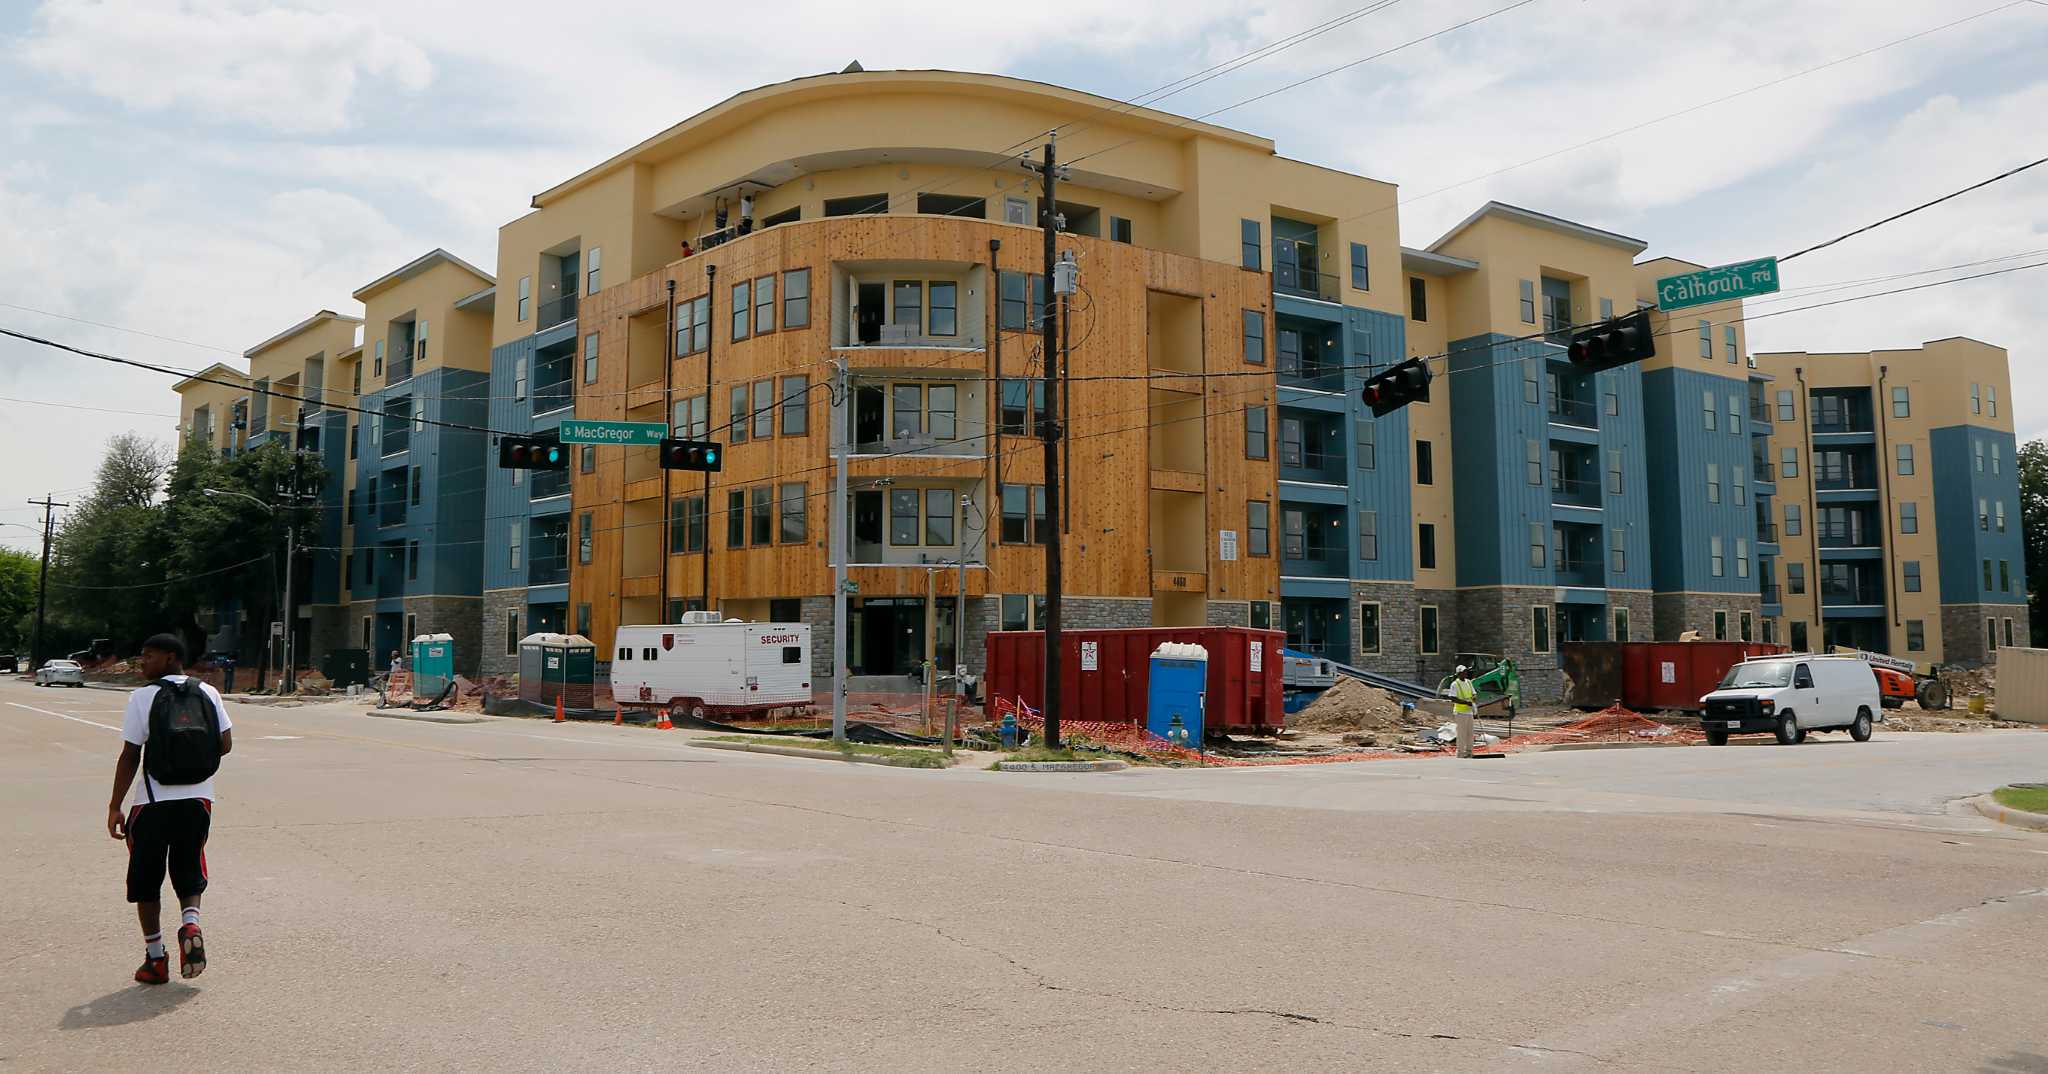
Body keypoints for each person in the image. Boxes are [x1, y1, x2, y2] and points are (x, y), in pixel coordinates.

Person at [106, 634, 233, 984]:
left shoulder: (142, 697)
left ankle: (155, 959)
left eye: (149, 655)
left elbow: (130, 754)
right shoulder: (208, 692)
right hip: (198, 801)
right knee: (189, 865)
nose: (143, 661)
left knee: (146, 879)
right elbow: (225, 743)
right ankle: (191, 923)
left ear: (171, 657)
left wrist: (115, 806)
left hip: (152, 803)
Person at [1447, 664, 1478, 759]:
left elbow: (1474, 693)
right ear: (1458, 673)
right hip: (1460, 712)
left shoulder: (1469, 682)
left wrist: (1474, 698)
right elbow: (1453, 698)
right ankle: (1460, 753)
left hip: (1469, 711)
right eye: (1463, 672)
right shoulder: (1455, 684)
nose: (1465, 673)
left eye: (1466, 672)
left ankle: (1469, 752)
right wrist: (1466, 702)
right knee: (1461, 734)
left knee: (1470, 733)